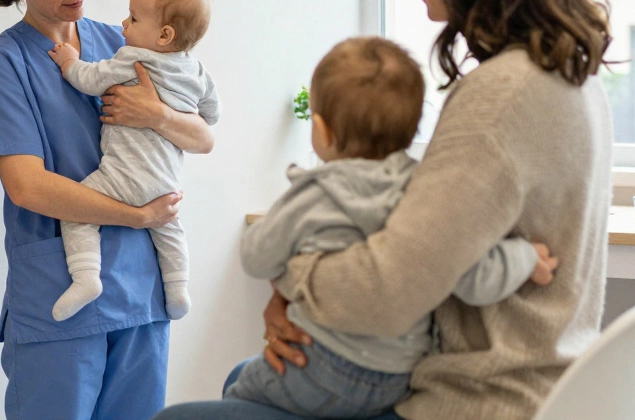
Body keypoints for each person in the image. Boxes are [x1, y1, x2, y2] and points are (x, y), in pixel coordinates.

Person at [154, 0, 613, 420]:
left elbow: (385, 294)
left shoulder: (503, 94)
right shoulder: (569, 73)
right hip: (543, 386)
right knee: (239, 377)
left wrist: (292, 277)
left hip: (475, 402)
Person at [0, 0, 215, 420]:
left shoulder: (122, 41)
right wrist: (138, 216)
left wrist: (158, 117)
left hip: (141, 287)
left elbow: (202, 135)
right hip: (61, 290)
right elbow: (28, 188)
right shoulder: (1, 66)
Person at [226, 36, 556, 419]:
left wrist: (286, 266)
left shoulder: (315, 192)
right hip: (396, 377)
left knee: (238, 390)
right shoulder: (424, 191)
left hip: (315, 365)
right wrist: (525, 257)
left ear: (321, 130)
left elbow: (255, 258)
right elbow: (474, 275)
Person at [47, 0, 220, 322]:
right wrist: (176, 111)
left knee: (76, 211)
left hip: (123, 176)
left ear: (164, 34)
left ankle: (85, 277)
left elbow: (90, 79)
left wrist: (68, 61)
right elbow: (211, 117)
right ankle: (178, 289)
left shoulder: (132, 57)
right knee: (170, 232)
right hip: (166, 183)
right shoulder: (198, 71)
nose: (124, 24)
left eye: (134, 18)